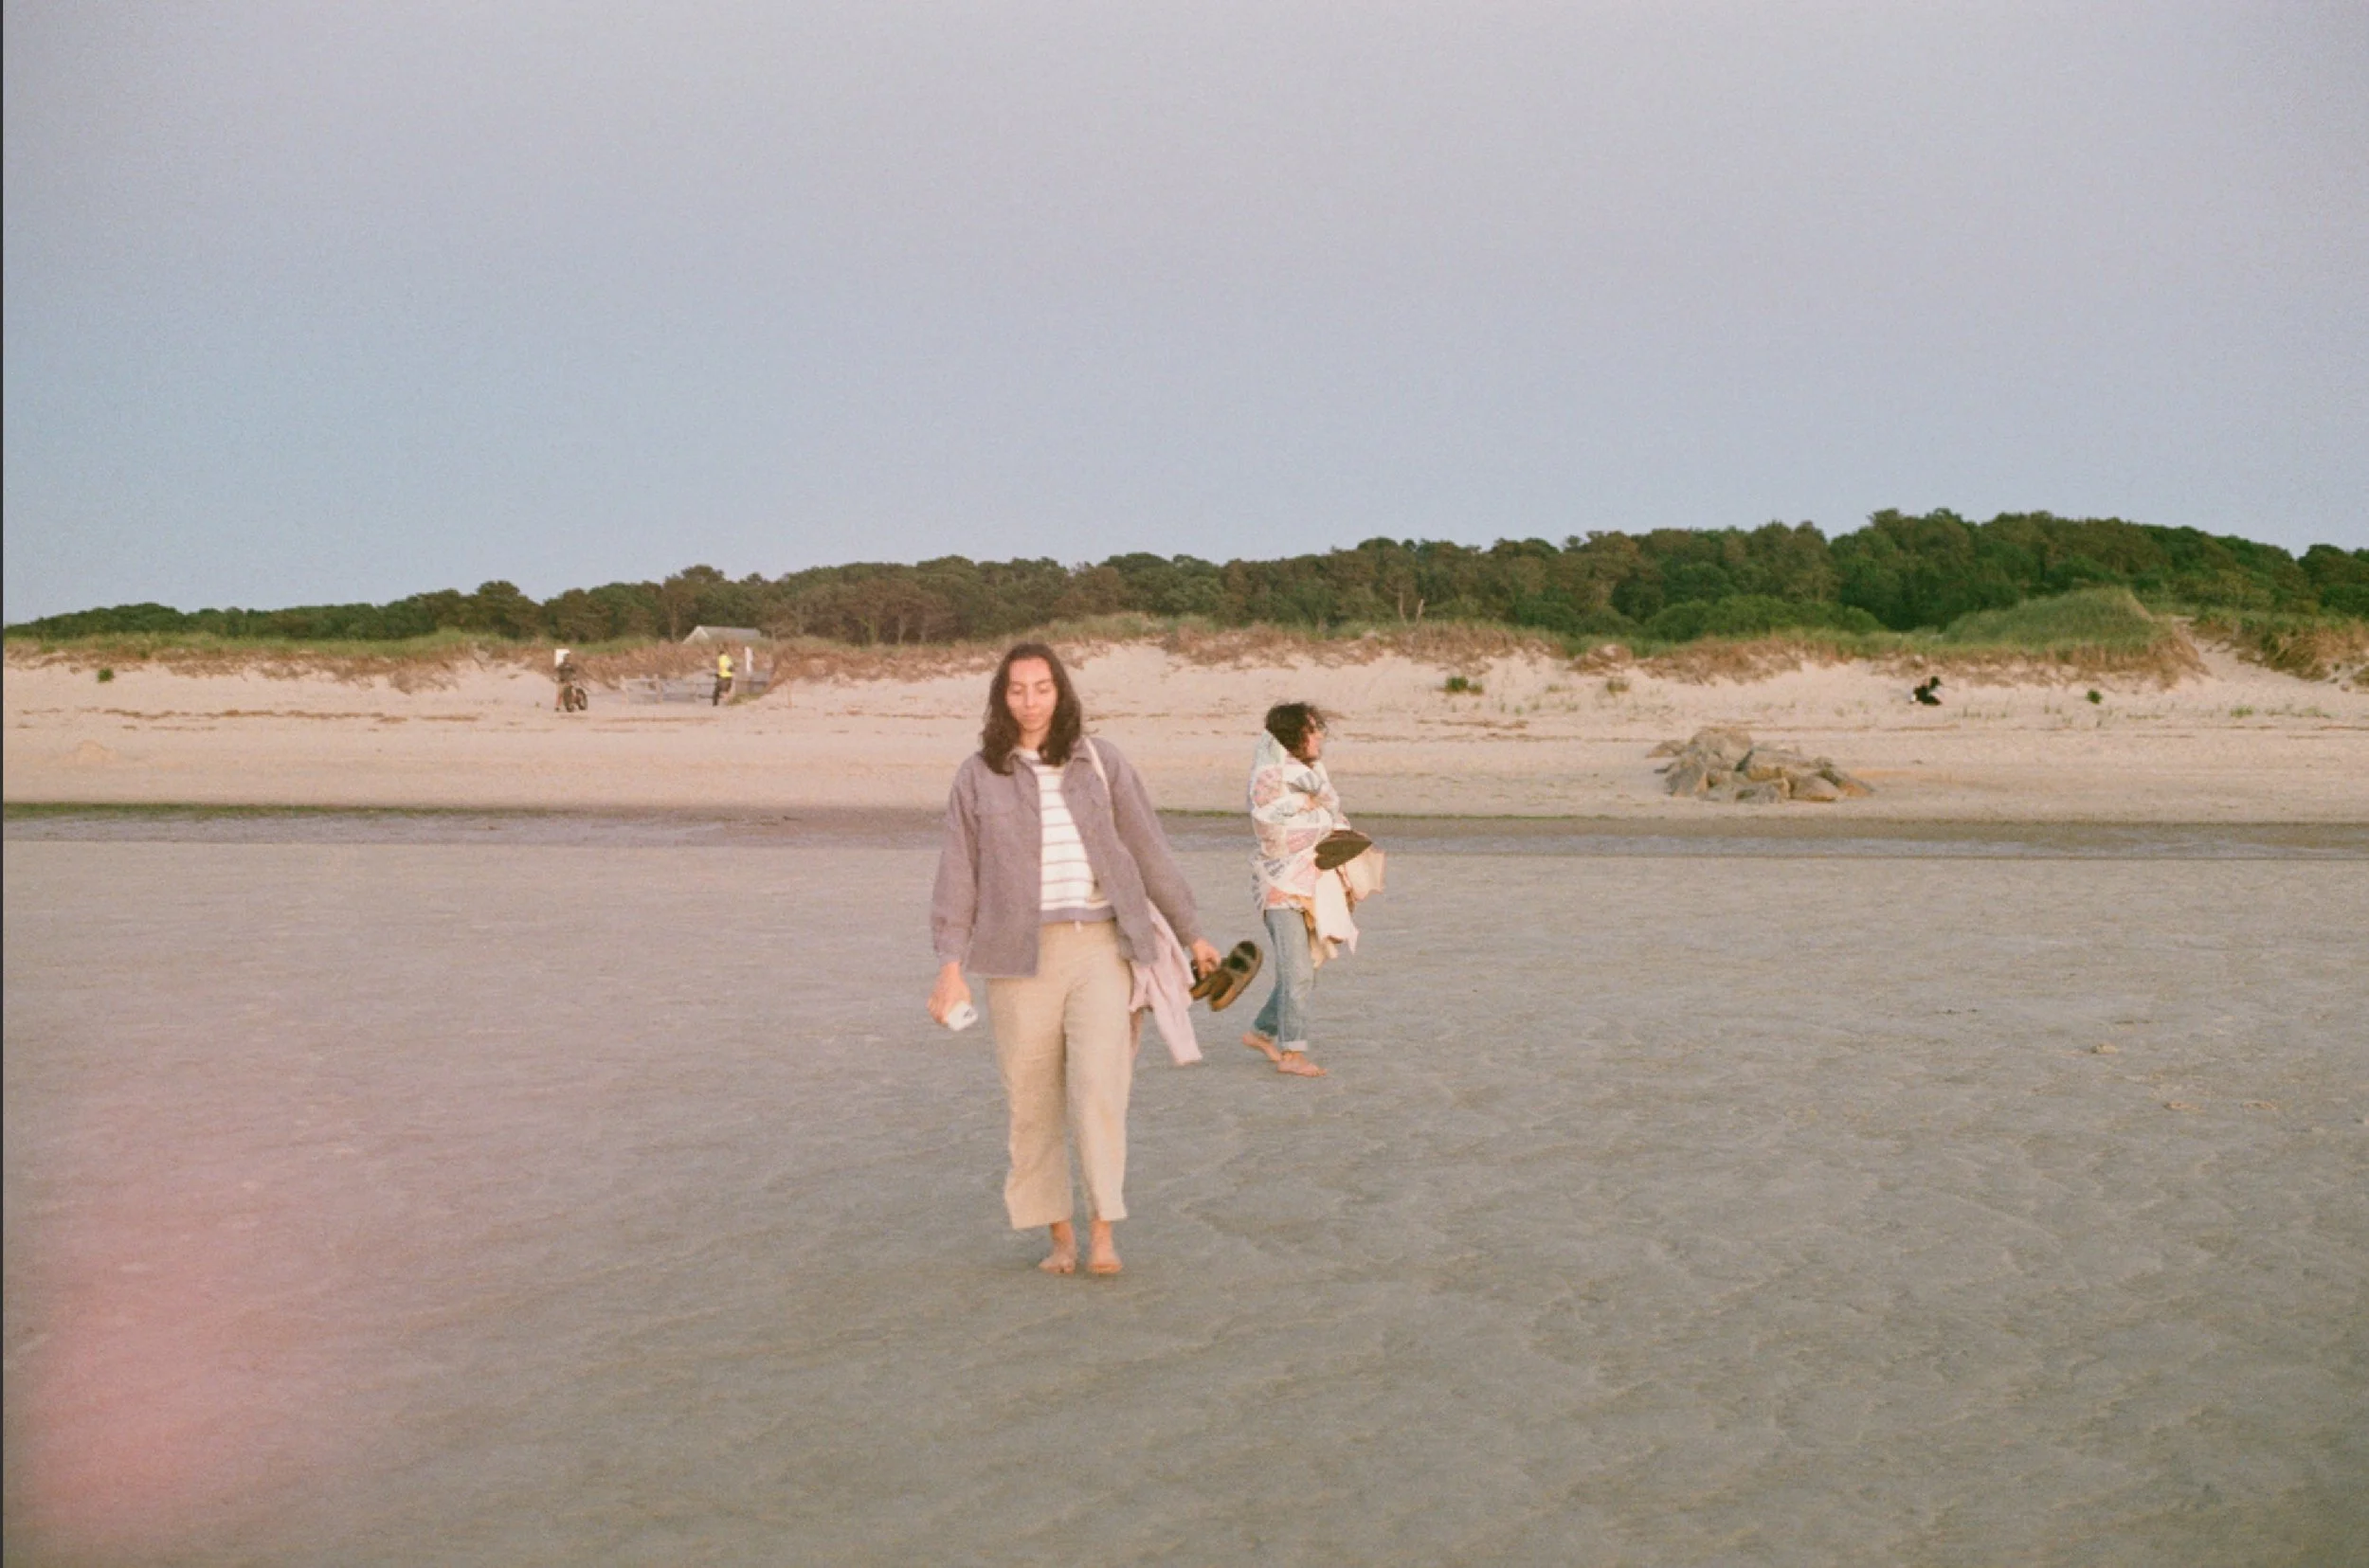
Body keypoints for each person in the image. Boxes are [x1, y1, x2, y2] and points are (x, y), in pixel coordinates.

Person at [929, 642, 1221, 1277]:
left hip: (1100, 948)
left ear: (1060, 692)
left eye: (1041, 688)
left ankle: (1103, 1233)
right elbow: (958, 876)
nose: (1030, 701)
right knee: (1031, 1103)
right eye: (1017, 690)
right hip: (1014, 956)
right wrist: (950, 964)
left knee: (1099, 1090)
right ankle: (1059, 1237)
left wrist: (1191, 930)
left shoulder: (1101, 762)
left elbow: (1149, 850)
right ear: (1000, 697)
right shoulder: (979, 774)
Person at [1244, 701, 1349, 1078]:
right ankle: (1292, 1054)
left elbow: (1332, 817)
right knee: (1299, 972)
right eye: (1313, 728)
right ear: (1293, 735)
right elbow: (1277, 833)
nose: (1320, 734)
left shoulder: (1307, 773)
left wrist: (1326, 821)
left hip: (1304, 882)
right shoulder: (1270, 778)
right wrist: (1325, 821)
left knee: (1305, 968)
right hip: (1280, 886)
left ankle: (1260, 1032)